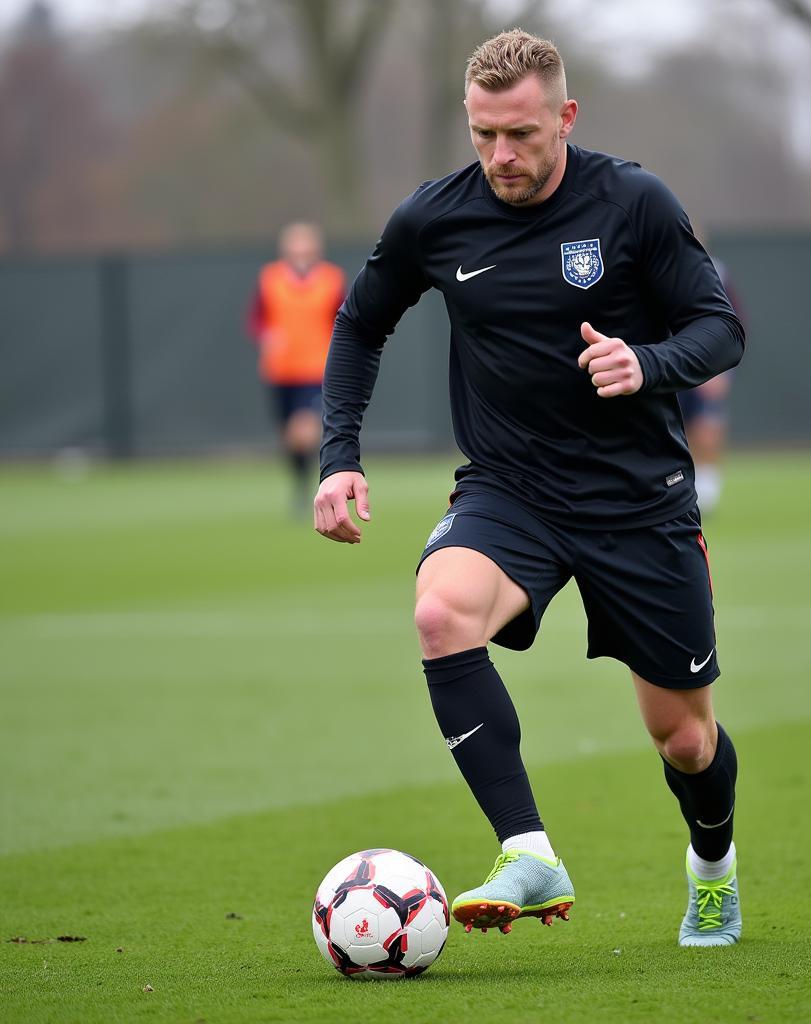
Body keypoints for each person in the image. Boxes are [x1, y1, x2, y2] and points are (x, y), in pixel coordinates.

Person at [314, 29, 745, 947]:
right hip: (513, 489)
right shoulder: (435, 218)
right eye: (483, 136)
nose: (502, 156)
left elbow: (720, 328)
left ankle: (713, 867)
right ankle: (528, 848)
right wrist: (340, 454)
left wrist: (650, 361)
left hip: (639, 499)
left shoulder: (633, 202)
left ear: (565, 117)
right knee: (441, 614)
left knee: (686, 742)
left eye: (521, 135)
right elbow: (359, 326)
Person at [248, 222, 346, 511]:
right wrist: (266, 335)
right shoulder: (270, 279)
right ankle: (301, 485)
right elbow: (257, 319)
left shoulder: (331, 279)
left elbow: (344, 319)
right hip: (280, 370)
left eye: (306, 246)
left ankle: (322, 483)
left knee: (304, 429)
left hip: (316, 368)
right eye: (295, 247)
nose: (301, 252)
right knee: (289, 437)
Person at [678, 255, 744, 515]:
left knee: (706, 426)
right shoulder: (643, 262)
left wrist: (722, 372)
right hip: (660, 360)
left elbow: (734, 321)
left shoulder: (716, 270)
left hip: (701, 364)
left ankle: (706, 491)